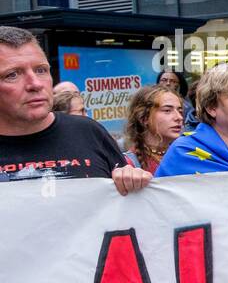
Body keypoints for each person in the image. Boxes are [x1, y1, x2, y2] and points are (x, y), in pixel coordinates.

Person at [0, 26, 150, 194]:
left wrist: (131, 180)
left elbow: (126, 207)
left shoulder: (88, 131)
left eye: (41, 70)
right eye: (12, 75)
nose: (35, 84)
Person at [123, 85, 185, 174]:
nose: (179, 117)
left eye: (180, 111)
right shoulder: (128, 165)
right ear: (144, 118)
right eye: (167, 110)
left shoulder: (185, 154)